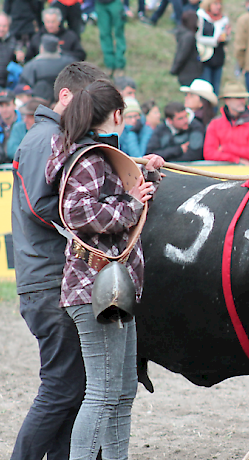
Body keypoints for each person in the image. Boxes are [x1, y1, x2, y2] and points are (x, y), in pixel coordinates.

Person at [43, 78, 164, 460]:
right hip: (93, 288)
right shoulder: (90, 158)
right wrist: (131, 202)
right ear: (116, 115)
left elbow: (119, 203)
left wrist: (147, 183)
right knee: (103, 393)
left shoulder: (95, 155)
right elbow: (79, 212)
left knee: (122, 389)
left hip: (108, 287)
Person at [10, 61, 110, 460]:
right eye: (87, 104)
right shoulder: (45, 139)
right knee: (63, 387)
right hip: (49, 281)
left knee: (75, 388)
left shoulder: (54, 136)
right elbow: (42, 205)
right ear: (65, 96)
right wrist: (103, 214)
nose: (91, 115)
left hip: (51, 279)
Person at [203, 82, 249, 164]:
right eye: (238, 98)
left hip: (247, 174)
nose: (242, 101)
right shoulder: (215, 123)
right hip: (220, 173)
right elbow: (208, 153)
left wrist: (225, 148)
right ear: (227, 101)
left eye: (243, 98)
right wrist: (236, 160)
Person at [196, 0, 230, 95]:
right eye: (215, 4)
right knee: (206, 89)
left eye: (219, 4)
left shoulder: (223, 19)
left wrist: (227, 35)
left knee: (216, 89)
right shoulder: (201, 17)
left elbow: (225, 39)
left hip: (218, 57)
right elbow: (198, 37)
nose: (218, 6)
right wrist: (215, 40)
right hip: (205, 57)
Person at [181, 78, 218, 158]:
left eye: (191, 96)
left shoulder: (201, 123)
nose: (186, 98)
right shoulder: (187, 118)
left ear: (202, 102)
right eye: (187, 95)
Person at [170, 11, 203, 87]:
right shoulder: (189, 37)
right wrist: (174, 69)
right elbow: (183, 54)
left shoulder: (184, 34)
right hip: (189, 73)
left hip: (186, 73)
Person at [96, 0, 127, 76]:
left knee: (118, 33)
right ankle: (109, 64)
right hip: (100, 3)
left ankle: (119, 64)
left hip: (115, 2)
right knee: (104, 33)